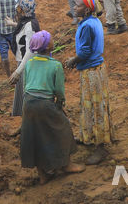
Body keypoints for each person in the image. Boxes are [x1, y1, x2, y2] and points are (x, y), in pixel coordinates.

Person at [17, 31, 84, 183]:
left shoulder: (30, 62)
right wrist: (60, 105)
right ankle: (66, 165)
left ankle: (43, 174)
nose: (54, 40)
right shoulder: (55, 65)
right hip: (45, 103)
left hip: (28, 104)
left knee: (35, 137)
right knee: (63, 129)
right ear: (48, 46)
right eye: (51, 39)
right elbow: (59, 91)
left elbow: (26, 85)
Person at [64, 0, 114, 165]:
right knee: (96, 105)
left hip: (91, 71)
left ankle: (101, 147)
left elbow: (85, 52)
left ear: (86, 10)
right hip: (98, 68)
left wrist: (73, 60)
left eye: (77, 6)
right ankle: (89, 136)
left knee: (94, 107)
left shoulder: (86, 26)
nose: (74, 7)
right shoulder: (94, 21)